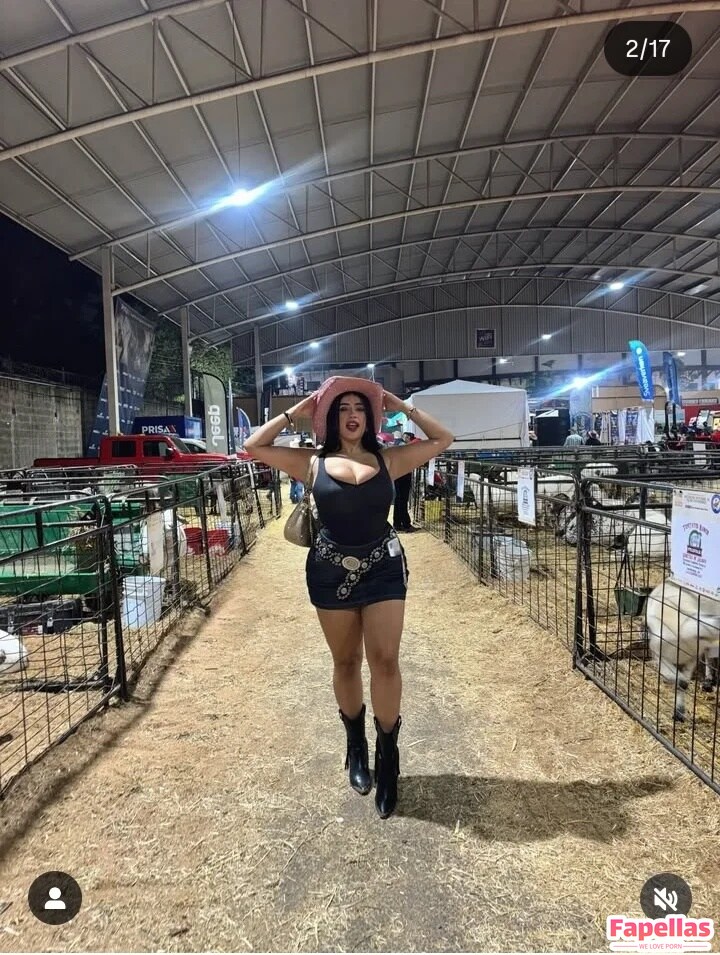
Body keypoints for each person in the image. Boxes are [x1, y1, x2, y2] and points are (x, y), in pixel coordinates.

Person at [244, 377, 453, 819]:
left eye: (360, 407)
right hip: (329, 570)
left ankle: (388, 759)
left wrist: (400, 405)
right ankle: (355, 746)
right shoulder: (312, 462)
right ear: (330, 418)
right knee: (345, 661)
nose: (353, 414)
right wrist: (298, 410)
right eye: (342, 408)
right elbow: (253, 445)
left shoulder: (389, 459)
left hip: (383, 567)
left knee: (386, 661)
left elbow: (443, 439)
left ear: (371, 417)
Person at [392, 431, 420, 533]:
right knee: (403, 500)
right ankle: (406, 525)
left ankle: (397, 524)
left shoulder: (395, 445)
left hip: (398, 474)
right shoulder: (403, 446)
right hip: (404, 474)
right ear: (406, 437)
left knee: (399, 500)